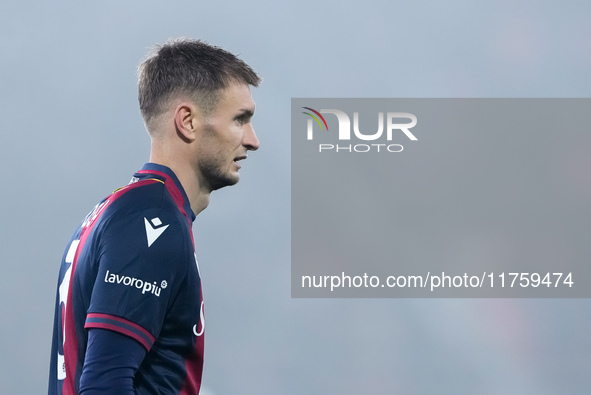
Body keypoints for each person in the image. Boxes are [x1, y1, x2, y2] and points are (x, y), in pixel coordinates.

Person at [48, 38, 261, 395]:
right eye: (240, 120)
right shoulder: (151, 225)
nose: (253, 140)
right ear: (188, 121)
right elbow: (104, 385)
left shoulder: (124, 211)